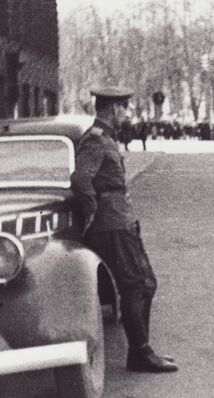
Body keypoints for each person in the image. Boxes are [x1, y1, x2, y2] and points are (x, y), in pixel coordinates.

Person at [70, 86, 177, 373]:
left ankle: (141, 351)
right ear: (113, 109)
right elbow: (80, 180)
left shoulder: (106, 138)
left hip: (122, 220)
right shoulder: (95, 140)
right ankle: (141, 354)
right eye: (124, 108)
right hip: (111, 224)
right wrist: (93, 210)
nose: (127, 114)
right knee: (134, 286)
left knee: (146, 284)